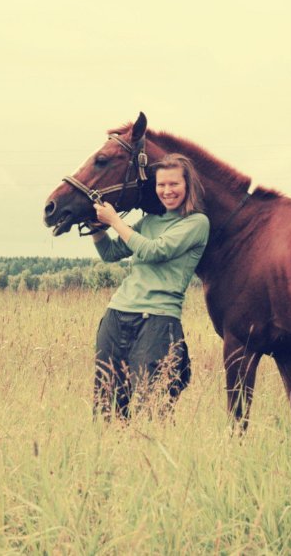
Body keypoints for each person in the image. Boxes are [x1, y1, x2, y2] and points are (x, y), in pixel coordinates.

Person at [90, 153, 209, 420]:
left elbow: (155, 251)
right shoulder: (150, 221)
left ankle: (147, 458)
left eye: (174, 184)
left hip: (157, 321)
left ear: (188, 185)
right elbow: (110, 252)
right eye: (161, 185)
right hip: (116, 315)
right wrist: (96, 227)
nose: (167, 191)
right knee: (106, 404)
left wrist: (115, 222)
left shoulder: (196, 223)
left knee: (151, 407)